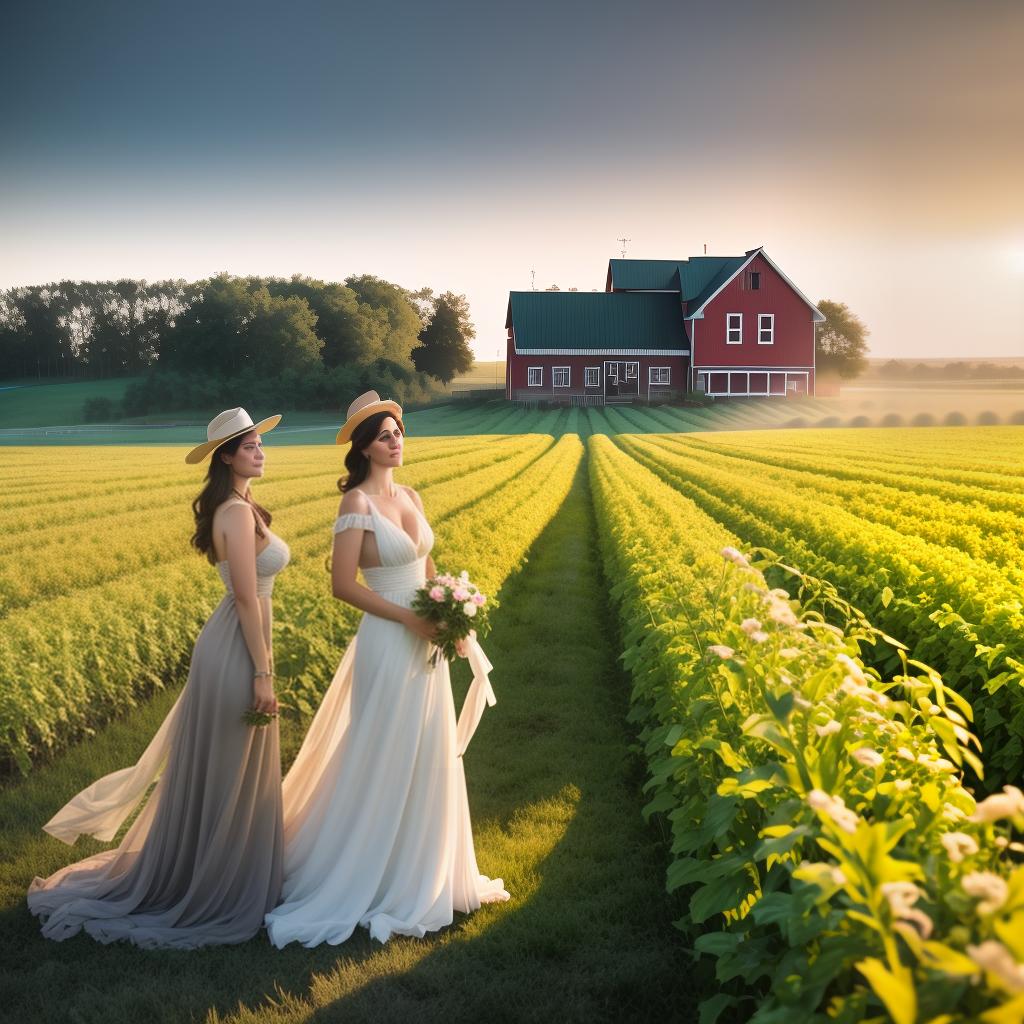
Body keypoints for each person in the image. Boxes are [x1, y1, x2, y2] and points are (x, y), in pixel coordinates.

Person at [27, 407, 289, 948]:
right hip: (237, 650)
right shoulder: (236, 514)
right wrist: (262, 670)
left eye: (261, 443)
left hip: (242, 644)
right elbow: (245, 595)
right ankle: (211, 884)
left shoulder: (240, 506)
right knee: (226, 768)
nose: (261, 452)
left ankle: (225, 872)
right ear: (227, 456)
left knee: (232, 766)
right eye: (251, 446)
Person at [264, 390, 508, 948]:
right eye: (383, 435)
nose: (394, 441)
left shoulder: (413, 494)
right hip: (388, 639)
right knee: (384, 750)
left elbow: (429, 567)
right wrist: (411, 620)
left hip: (427, 638)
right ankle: (364, 873)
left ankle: (426, 870)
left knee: (428, 748)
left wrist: (448, 614)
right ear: (363, 448)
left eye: (398, 431)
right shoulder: (355, 504)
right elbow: (342, 585)